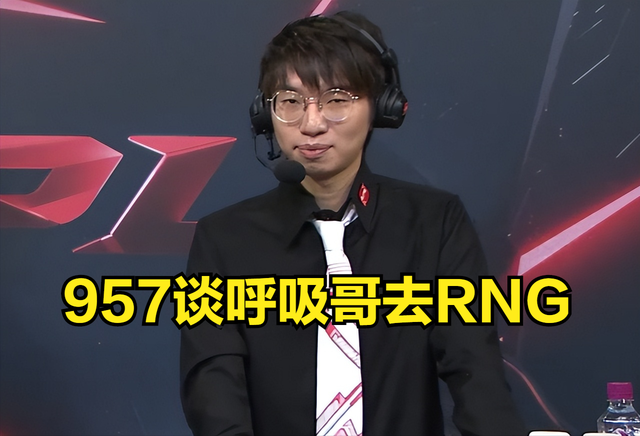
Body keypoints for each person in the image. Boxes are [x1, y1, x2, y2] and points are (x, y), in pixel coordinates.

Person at [180, 11, 526, 436]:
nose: (312, 124)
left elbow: (476, 374)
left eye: (337, 100)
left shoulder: (435, 223)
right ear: (265, 114)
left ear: (381, 107)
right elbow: (214, 392)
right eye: (290, 102)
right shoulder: (224, 239)